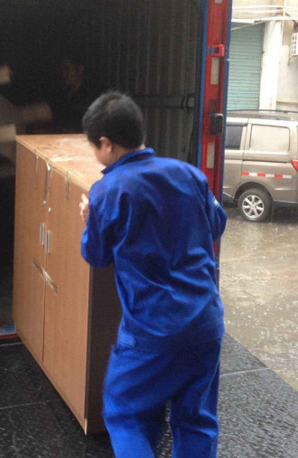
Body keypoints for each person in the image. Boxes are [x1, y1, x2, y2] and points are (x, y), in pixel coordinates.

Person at [79, 92, 227, 458]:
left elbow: (96, 255)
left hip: (153, 330)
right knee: (196, 421)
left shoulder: (106, 192)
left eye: (94, 147)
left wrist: (89, 218)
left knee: (124, 411)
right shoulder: (189, 174)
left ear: (106, 144)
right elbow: (217, 225)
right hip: (206, 323)